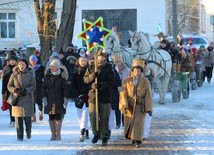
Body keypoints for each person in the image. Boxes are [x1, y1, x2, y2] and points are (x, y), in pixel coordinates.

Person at [84, 49, 114, 146]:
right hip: (93, 96)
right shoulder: (92, 66)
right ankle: (96, 133)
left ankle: (104, 135)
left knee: (105, 116)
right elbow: (86, 79)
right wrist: (93, 76)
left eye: (103, 56)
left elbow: (111, 81)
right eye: (100, 56)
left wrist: (101, 85)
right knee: (93, 116)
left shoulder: (108, 67)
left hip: (105, 96)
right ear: (97, 57)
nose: (101, 58)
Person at [119, 59, 153, 147]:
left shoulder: (145, 81)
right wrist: (124, 104)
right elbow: (123, 93)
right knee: (131, 123)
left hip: (140, 105)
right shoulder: (127, 81)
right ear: (132, 71)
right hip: (129, 105)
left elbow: (148, 95)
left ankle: (138, 140)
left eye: (138, 70)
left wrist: (148, 108)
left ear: (141, 71)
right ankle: (133, 138)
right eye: (135, 70)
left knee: (139, 123)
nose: (137, 72)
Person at [7, 59, 36, 141]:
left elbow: (33, 86)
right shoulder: (14, 74)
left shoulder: (30, 74)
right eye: (20, 64)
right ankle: (19, 136)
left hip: (27, 98)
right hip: (17, 98)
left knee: (27, 118)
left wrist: (26, 90)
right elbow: (9, 86)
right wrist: (15, 90)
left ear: (26, 65)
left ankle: (28, 133)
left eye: (23, 64)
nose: (21, 66)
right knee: (18, 118)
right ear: (18, 65)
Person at [42, 59, 69, 141]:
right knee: (51, 117)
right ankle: (53, 134)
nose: (52, 68)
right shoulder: (47, 77)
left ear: (57, 67)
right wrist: (44, 98)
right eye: (51, 66)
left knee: (58, 117)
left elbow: (65, 89)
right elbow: (43, 88)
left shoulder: (62, 77)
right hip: (49, 100)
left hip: (59, 100)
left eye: (54, 66)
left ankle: (58, 133)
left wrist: (65, 99)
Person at [71, 57, 89, 142]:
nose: (83, 62)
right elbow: (72, 85)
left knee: (85, 113)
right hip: (78, 95)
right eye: (82, 61)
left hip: (87, 95)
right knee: (80, 115)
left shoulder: (89, 70)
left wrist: (87, 92)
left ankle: (82, 131)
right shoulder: (75, 72)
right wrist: (77, 95)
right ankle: (85, 129)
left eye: (85, 61)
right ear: (78, 62)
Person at [114, 55, 131, 127]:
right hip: (115, 90)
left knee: (124, 106)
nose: (118, 63)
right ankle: (118, 123)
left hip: (124, 90)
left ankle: (124, 122)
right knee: (117, 107)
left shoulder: (127, 70)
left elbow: (129, 80)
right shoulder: (113, 69)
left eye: (119, 61)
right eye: (116, 62)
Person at [1, 55, 18, 127]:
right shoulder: (6, 69)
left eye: (14, 60)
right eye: (11, 60)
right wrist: (3, 91)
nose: (12, 61)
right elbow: (4, 81)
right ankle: (12, 120)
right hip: (9, 90)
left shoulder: (18, 69)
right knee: (11, 105)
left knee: (18, 105)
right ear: (8, 61)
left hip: (17, 90)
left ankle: (18, 119)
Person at [29, 55, 45, 122]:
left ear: (36, 60)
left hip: (39, 86)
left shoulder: (41, 67)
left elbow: (44, 76)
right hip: (31, 86)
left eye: (34, 60)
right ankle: (33, 116)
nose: (33, 62)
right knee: (32, 101)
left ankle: (40, 114)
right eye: (31, 60)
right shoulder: (28, 68)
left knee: (39, 101)